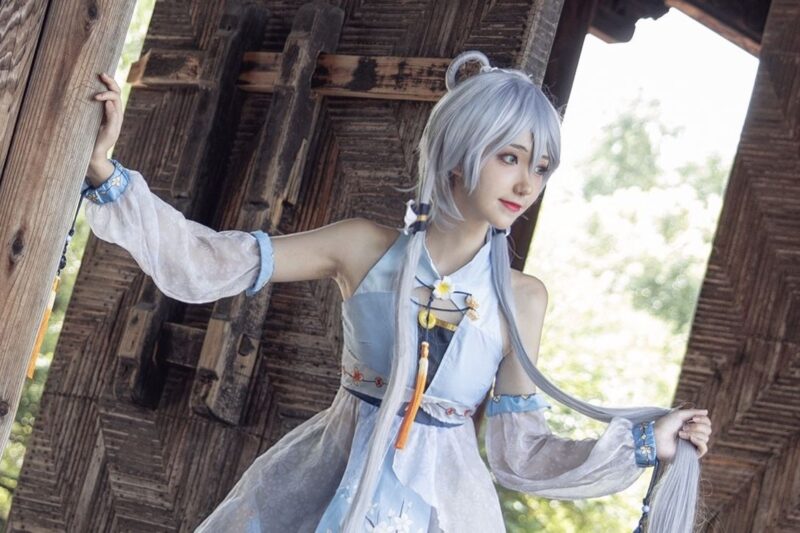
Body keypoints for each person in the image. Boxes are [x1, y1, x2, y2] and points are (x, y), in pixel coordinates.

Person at [84, 51, 712, 532]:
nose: (527, 184)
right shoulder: (363, 247)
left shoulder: (523, 298)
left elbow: (519, 456)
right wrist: (105, 172)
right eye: (511, 157)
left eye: (541, 167)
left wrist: (643, 444)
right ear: (461, 153)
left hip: (445, 513)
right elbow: (209, 263)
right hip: (325, 486)